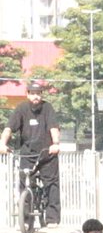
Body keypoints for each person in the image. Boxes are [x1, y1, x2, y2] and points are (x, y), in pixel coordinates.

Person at [0, 81, 61, 224]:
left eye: (38, 94)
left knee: (51, 184)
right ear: (27, 94)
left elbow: (53, 127)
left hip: (47, 153)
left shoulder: (48, 108)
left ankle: (52, 219)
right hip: (27, 154)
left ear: (41, 95)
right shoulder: (21, 108)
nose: (36, 96)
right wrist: (2, 143)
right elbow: (9, 128)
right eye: (33, 93)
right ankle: (26, 219)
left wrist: (56, 144)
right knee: (24, 183)